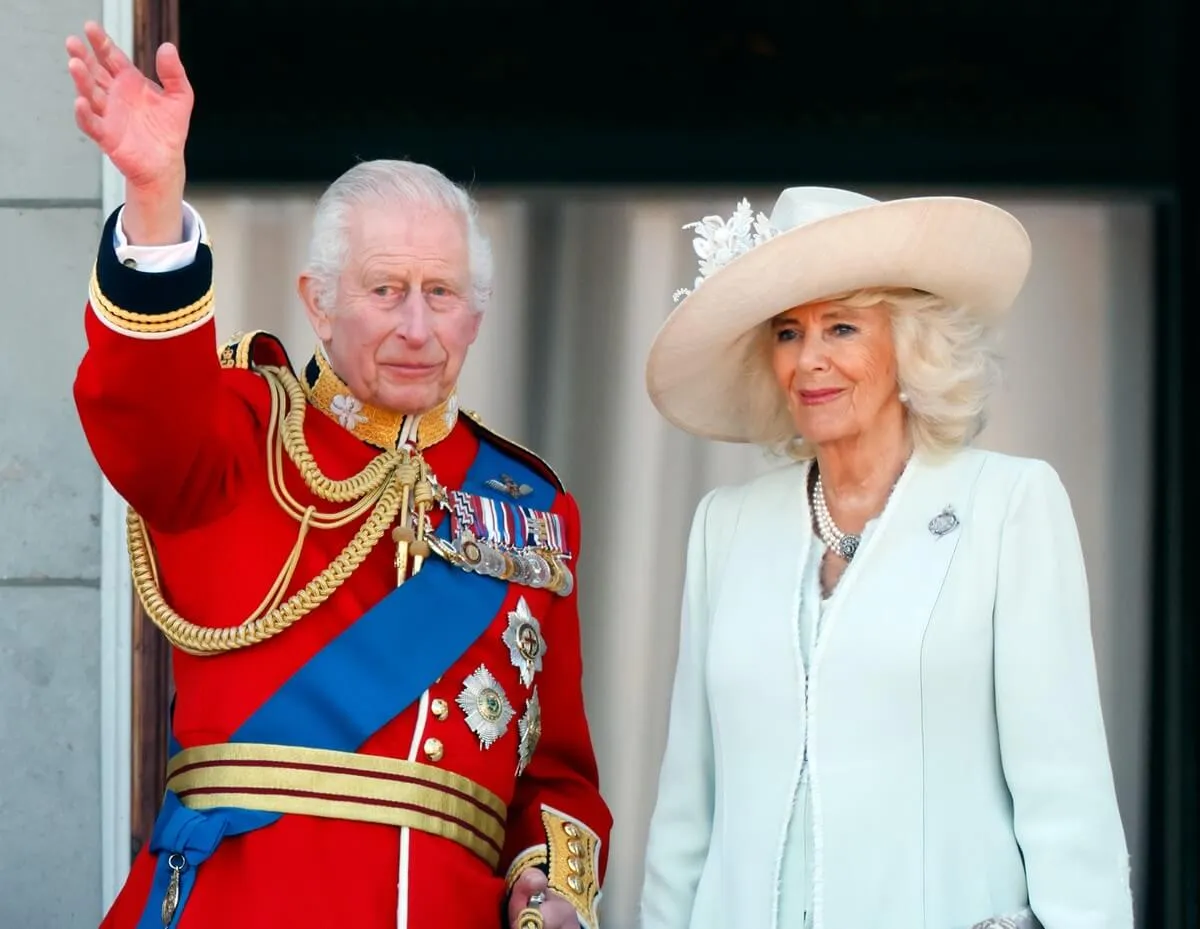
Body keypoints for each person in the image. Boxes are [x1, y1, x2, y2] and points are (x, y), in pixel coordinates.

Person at [65, 21, 611, 929]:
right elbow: (141, 409)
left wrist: (550, 888)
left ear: (476, 317)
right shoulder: (241, 435)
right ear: (318, 302)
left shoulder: (531, 511)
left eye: (441, 294)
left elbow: (553, 772)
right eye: (384, 289)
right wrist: (155, 197)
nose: (415, 325)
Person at [637, 187, 1134, 929]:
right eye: (787, 332)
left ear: (908, 343)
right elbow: (686, 810)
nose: (810, 361)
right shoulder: (726, 527)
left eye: (842, 326)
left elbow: (1067, 797)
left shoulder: (1009, 505)